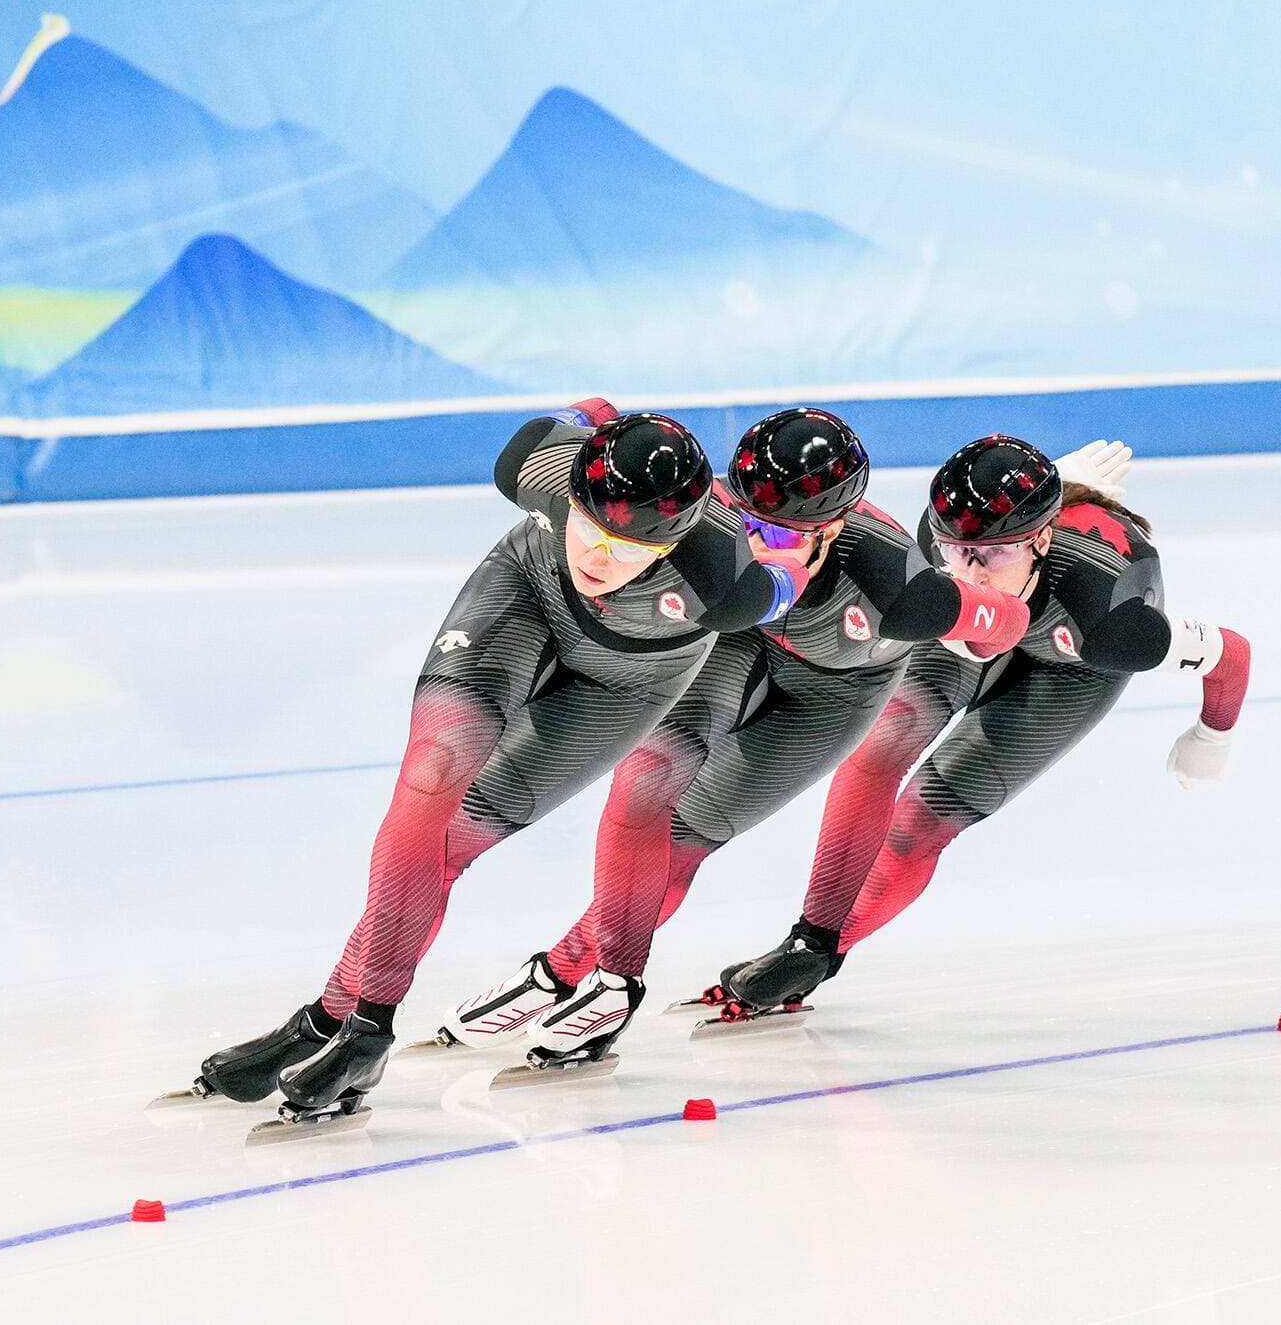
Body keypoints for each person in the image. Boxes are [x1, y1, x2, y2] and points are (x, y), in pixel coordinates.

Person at [172, 399, 812, 1132]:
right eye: (587, 523)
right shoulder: (534, 467)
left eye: (628, 547)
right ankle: (357, 1030)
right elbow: (584, 413)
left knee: (452, 847)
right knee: (432, 773)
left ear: (674, 546)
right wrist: (595, 413)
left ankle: (323, 1022)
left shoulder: (724, 576)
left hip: (627, 681)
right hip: (524, 596)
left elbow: (788, 584)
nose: (597, 554)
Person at [427, 416, 1133, 1049]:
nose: (757, 547)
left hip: (835, 691)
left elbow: (999, 628)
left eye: (782, 536)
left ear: (831, 530)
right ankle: (574, 974)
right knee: (648, 776)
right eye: (746, 524)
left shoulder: (901, 582)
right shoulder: (708, 524)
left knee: (695, 831)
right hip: (744, 641)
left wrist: (817, 938)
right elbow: (568, 445)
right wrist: (596, 420)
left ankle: (590, 967)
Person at [712, 432, 1252, 1012]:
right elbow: (966, 579)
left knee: (924, 817)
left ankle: (821, 953)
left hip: (1071, 664)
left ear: (1041, 540)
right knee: (879, 746)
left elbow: (1233, 653)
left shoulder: (1114, 621)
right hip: (976, 625)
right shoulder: (938, 554)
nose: (969, 572)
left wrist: (1211, 735)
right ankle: (810, 939)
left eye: (991, 555)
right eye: (956, 552)